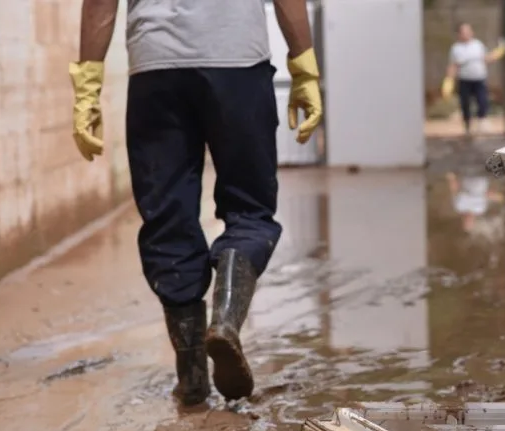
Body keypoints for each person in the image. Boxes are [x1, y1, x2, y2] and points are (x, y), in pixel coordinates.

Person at [69, 0, 323, 406]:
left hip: (156, 66)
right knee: (250, 209)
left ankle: (190, 377)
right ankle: (225, 321)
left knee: (167, 217)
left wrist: (88, 82)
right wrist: (304, 65)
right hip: (238, 61)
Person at [441, 23, 505, 135]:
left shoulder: (478, 45)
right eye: (463, 32)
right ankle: (467, 125)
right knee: (465, 103)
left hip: (479, 78)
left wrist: (498, 53)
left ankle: (482, 123)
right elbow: (453, 65)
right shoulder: (456, 49)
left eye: (468, 31)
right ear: (459, 34)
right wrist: (448, 80)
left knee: (482, 100)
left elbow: (486, 58)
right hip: (465, 80)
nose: (466, 34)